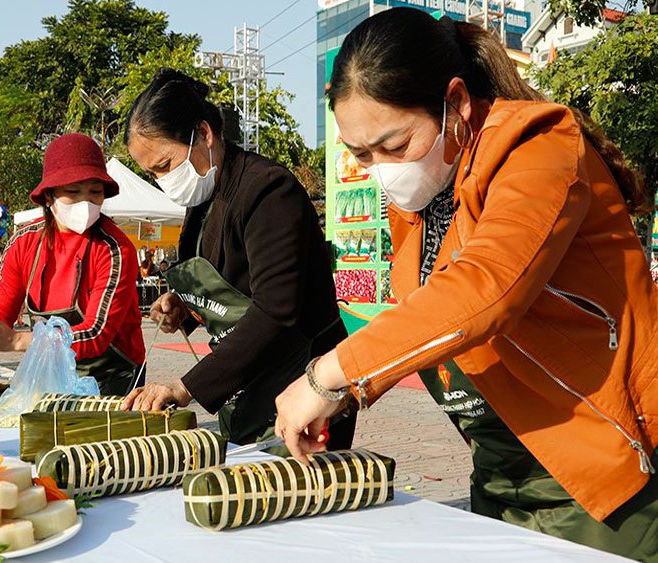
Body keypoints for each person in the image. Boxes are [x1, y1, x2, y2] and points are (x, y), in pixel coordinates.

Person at [272, 10, 657, 561]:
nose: (381, 169)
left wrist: (332, 376)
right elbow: (432, 319)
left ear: (455, 103)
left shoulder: (540, 149)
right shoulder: (424, 198)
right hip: (500, 468)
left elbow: (485, 291)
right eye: (361, 155)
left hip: (599, 463)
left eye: (394, 145)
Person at [121, 69, 353, 449]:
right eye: (152, 173)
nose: (163, 179)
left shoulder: (268, 190)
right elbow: (230, 282)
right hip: (249, 383)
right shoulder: (202, 202)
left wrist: (185, 386)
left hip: (303, 377)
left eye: (164, 165)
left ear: (204, 134)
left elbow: (275, 308)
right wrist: (185, 306)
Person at [0, 133, 145, 393]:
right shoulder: (24, 243)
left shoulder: (115, 249)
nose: (85, 203)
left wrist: (18, 340)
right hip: (52, 372)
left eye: (95, 193)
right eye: (73, 193)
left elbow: (96, 334)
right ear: (48, 197)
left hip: (114, 379)